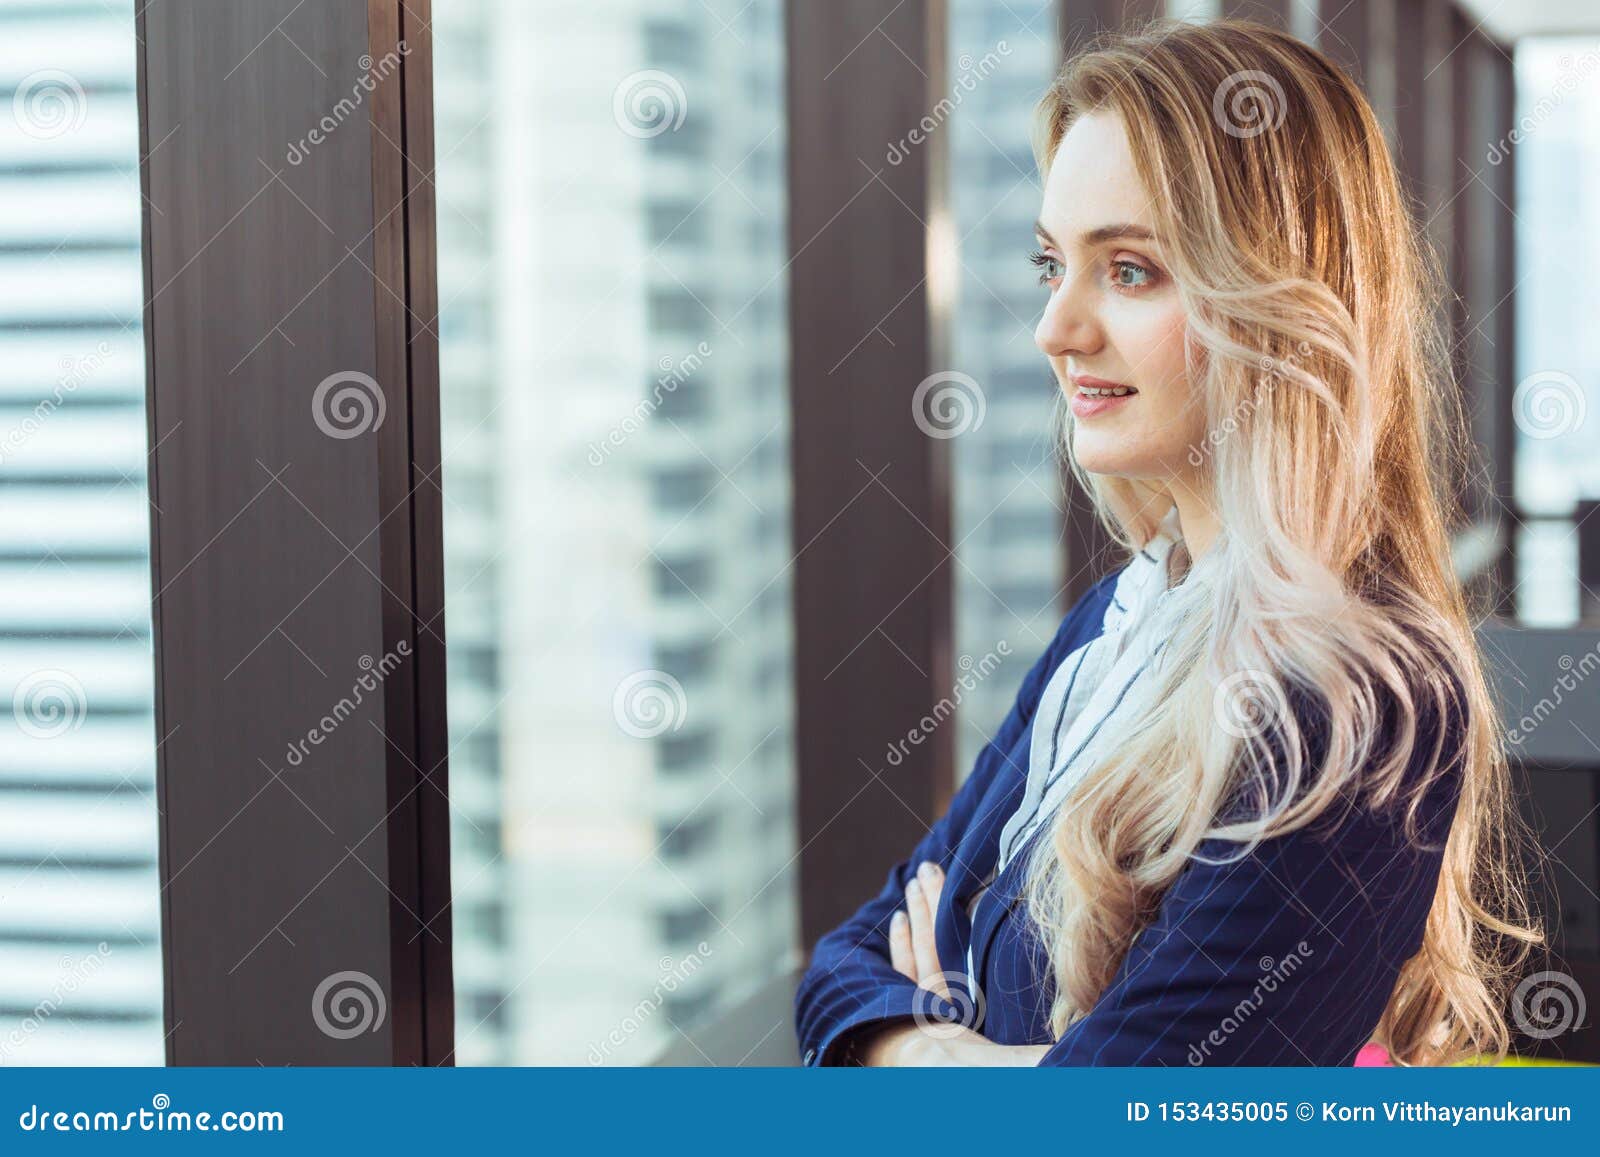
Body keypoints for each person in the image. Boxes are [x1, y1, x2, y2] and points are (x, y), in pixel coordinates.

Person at [794, 19, 1540, 1067]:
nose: (1057, 327)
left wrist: (936, 1023)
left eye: (1131, 270)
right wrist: (948, 1052)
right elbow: (842, 962)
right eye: (1052, 263)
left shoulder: (1359, 703)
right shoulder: (1122, 620)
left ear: (1280, 304)